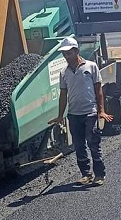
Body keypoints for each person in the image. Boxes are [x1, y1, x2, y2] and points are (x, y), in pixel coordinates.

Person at [48, 37, 113, 186]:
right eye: (64, 54)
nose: (66, 56)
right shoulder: (64, 72)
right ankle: (86, 174)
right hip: (73, 114)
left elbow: (98, 89)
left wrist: (101, 111)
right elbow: (63, 95)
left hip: (90, 112)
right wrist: (60, 115)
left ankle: (100, 174)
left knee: (93, 143)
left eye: (68, 53)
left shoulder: (91, 67)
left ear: (76, 51)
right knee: (78, 145)